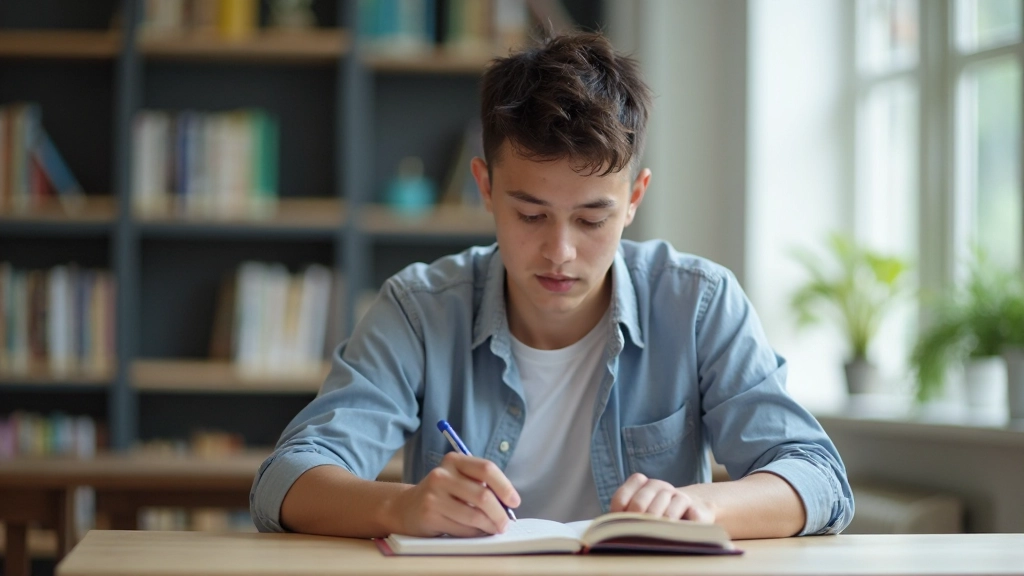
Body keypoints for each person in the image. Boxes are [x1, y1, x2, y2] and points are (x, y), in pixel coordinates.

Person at [250, 32, 854, 540]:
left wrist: (703, 506)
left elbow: (818, 475)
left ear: (635, 198)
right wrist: (399, 506)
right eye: (531, 215)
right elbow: (285, 477)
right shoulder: (420, 308)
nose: (560, 252)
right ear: (485, 188)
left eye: (593, 219)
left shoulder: (698, 302)